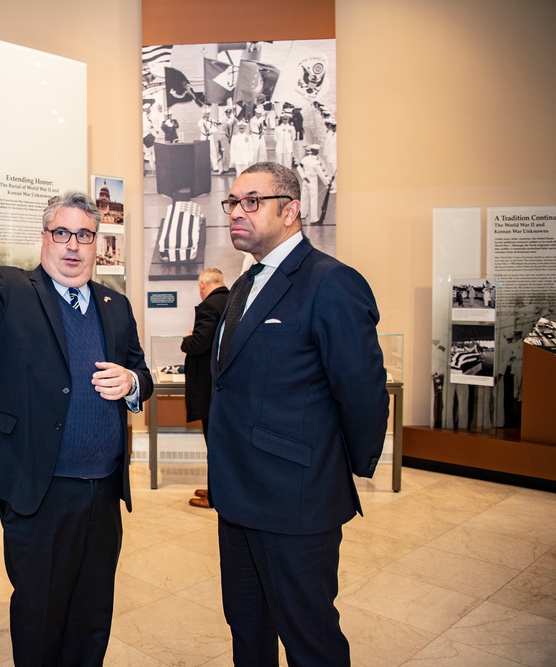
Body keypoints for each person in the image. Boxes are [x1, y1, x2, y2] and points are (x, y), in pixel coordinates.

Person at [0, 191, 153, 665]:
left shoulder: (116, 305)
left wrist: (131, 381)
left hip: (103, 491)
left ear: (97, 243)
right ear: (44, 238)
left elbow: (143, 376)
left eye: (84, 235)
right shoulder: (11, 289)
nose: (73, 245)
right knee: (40, 615)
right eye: (62, 233)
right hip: (40, 490)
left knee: (92, 616)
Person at [208, 161, 388, 666]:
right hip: (237, 496)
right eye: (232, 203)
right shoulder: (246, 284)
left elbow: (363, 393)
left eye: (251, 202)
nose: (236, 213)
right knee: (247, 628)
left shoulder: (331, 283)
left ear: (292, 210)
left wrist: (333, 467)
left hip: (296, 500)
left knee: (309, 637)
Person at [180, 268, 229, 509]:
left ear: (202, 286)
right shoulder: (231, 300)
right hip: (224, 386)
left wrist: (187, 339)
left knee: (215, 444)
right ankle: (217, 489)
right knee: (220, 443)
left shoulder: (210, 306)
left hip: (210, 387)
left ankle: (216, 496)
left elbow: (199, 343)